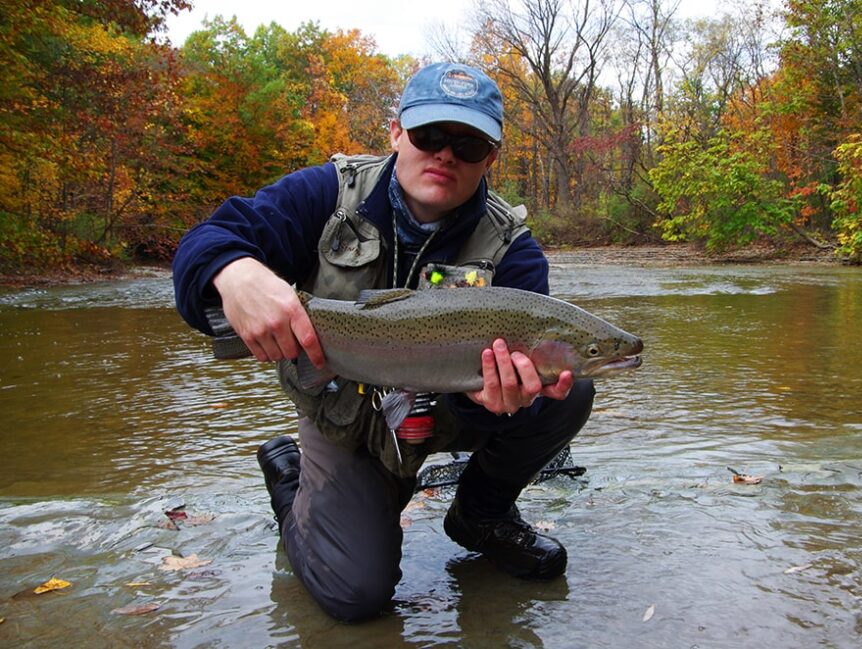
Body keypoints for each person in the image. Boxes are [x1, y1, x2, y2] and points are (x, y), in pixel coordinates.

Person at [172, 62, 596, 622]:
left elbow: (491, 404)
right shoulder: (327, 194)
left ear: (490, 156)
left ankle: (480, 515)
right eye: (430, 135)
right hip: (345, 420)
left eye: (468, 144)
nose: (445, 154)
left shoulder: (513, 253)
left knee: (570, 388)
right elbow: (203, 242)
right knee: (355, 596)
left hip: (443, 414)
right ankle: (291, 482)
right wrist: (234, 271)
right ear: (397, 132)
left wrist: (490, 404)